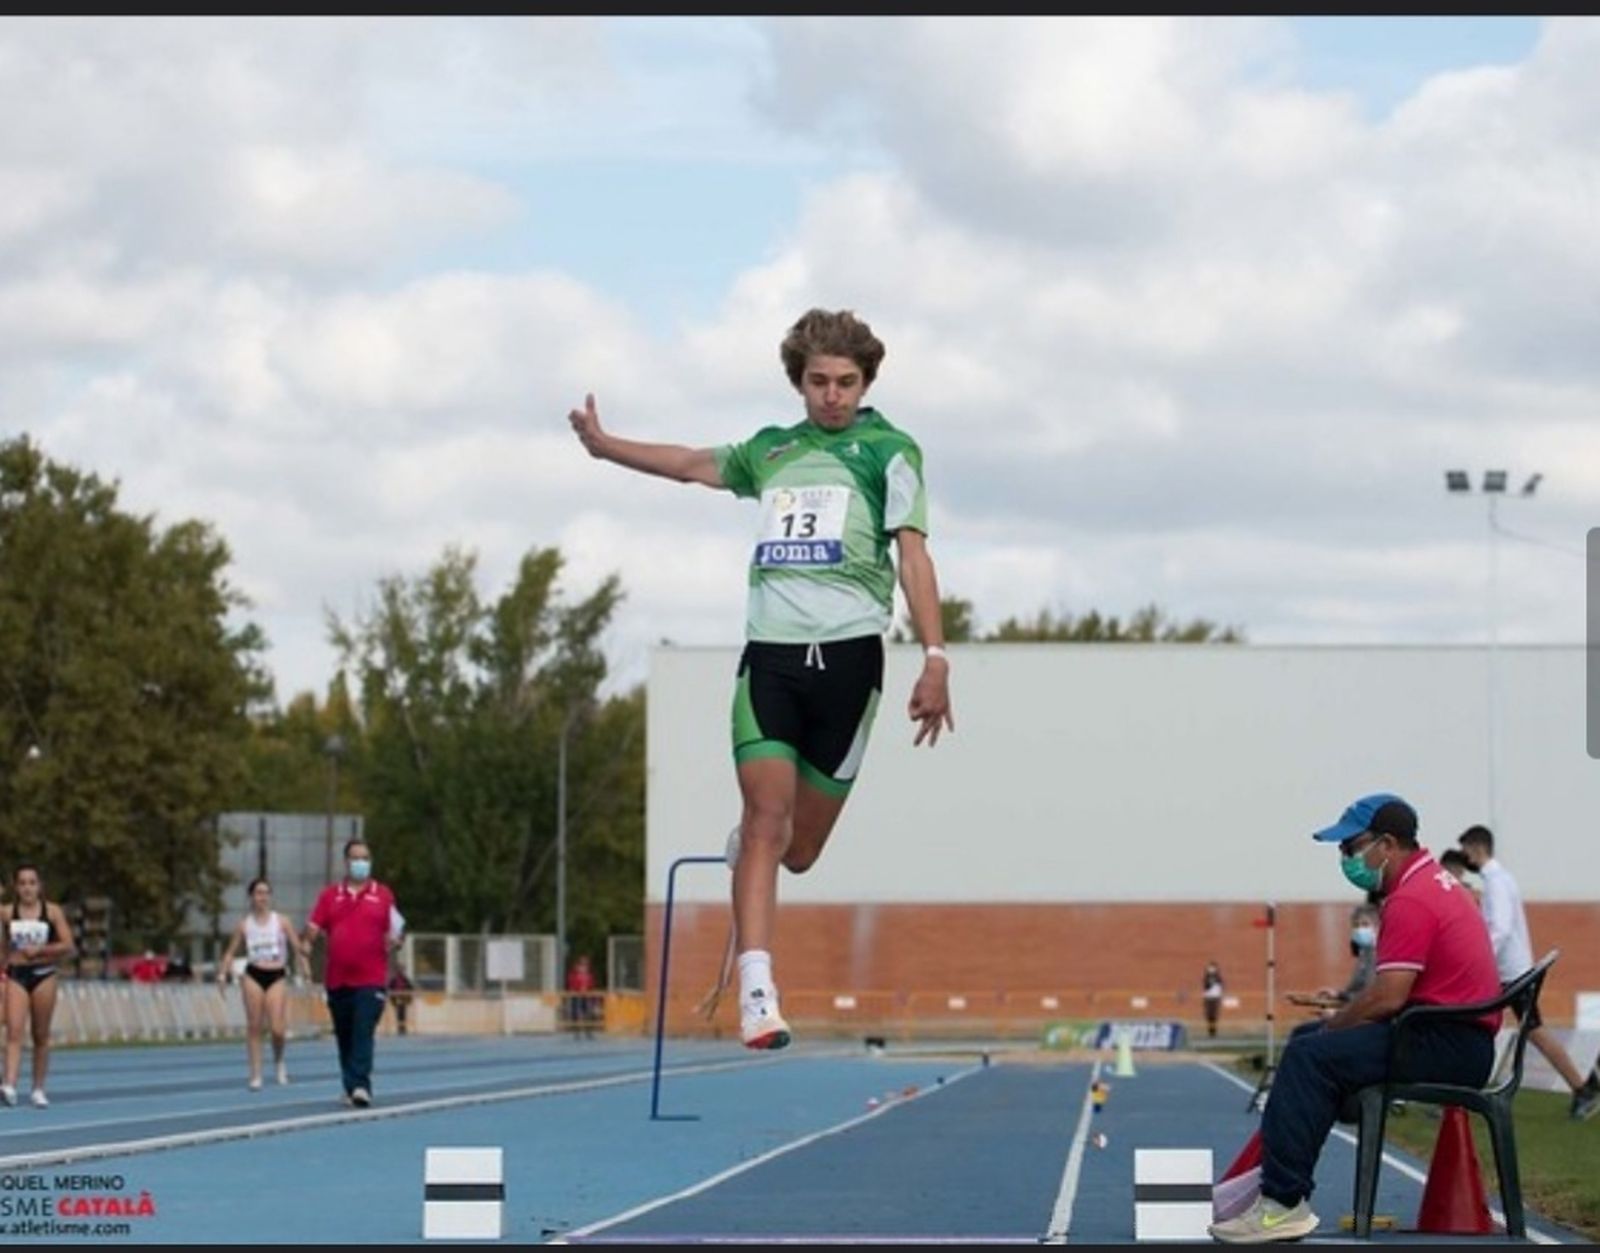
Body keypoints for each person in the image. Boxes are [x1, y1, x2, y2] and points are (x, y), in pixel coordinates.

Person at [568, 308, 954, 1051]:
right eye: (818, 382)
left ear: (867, 382)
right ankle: (757, 992)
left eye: (846, 382)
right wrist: (605, 446)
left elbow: (913, 557)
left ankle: (750, 847)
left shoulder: (890, 451)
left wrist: (936, 658)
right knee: (767, 823)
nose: (832, 396)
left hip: (849, 663)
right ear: (798, 383)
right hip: (770, 658)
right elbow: (687, 463)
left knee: (796, 850)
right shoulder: (772, 451)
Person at [1210, 793, 1502, 1243]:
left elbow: (1388, 997)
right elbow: (1400, 994)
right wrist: (1336, 1022)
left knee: (1310, 1055)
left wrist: (1336, 1024)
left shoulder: (1411, 900)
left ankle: (1282, 1203)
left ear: (1386, 844)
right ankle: (1272, 1185)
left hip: (1446, 1045)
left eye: (1350, 848)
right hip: (1451, 1035)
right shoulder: (1436, 882)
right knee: (1308, 1040)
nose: (1344, 859)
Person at [1458, 825, 1599, 1122]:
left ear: (1477, 847)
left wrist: (1479, 960)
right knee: (1524, 1031)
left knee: (1533, 1032)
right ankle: (1582, 1087)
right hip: (1512, 971)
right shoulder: (1498, 879)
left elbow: (1500, 928)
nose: (1465, 857)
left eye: (1466, 851)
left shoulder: (1496, 882)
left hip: (1511, 973)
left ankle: (1583, 1088)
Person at [303, 840, 404, 1108]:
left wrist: (395, 939)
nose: (361, 863)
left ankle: (360, 1085)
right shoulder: (330, 896)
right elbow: (314, 926)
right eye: (356, 858)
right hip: (337, 978)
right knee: (345, 1035)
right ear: (346, 862)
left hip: (371, 978)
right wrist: (306, 943)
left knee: (363, 1030)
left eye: (365, 858)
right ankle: (350, 1085)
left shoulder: (383, 895)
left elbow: (396, 929)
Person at [217, 878, 313, 1090]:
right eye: (258, 893)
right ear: (251, 897)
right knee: (254, 1026)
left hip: (276, 974)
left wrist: (306, 970)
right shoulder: (244, 925)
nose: (263, 897)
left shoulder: (282, 921)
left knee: (278, 1029)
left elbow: (298, 949)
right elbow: (230, 952)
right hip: (253, 975)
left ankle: (279, 1061)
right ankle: (256, 1074)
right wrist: (222, 975)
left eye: (266, 893)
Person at [1, 865, 76, 1108]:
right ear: (16, 887)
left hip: (44, 975)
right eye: (22, 883)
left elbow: (67, 944)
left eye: (32, 883)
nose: (27, 888)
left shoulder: (52, 912)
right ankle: (9, 1085)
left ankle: (38, 1088)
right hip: (16, 974)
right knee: (14, 1031)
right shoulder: (6, 912)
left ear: (40, 886)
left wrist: (41, 950)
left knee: (40, 1035)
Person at [565, 953, 599, 1039]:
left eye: (586, 964)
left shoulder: (590, 975)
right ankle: (577, 1032)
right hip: (577, 996)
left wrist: (589, 991)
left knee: (588, 1013)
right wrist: (577, 989)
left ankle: (589, 1031)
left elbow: (592, 985)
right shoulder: (573, 974)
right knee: (576, 1013)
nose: (584, 966)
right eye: (582, 964)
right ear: (578, 965)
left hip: (587, 996)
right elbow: (571, 984)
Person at [387, 965, 415, 1036]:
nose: (401, 972)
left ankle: (403, 1029)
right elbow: (390, 988)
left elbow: (410, 988)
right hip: (396, 998)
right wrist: (392, 999)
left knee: (403, 1013)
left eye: (402, 970)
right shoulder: (394, 980)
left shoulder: (405, 979)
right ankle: (400, 1029)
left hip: (403, 998)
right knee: (398, 1014)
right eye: (399, 970)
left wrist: (409, 999)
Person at [1201, 961, 1225, 1039]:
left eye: (1213, 967)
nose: (1211, 969)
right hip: (1208, 998)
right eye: (1210, 967)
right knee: (1209, 1015)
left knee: (1214, 1015)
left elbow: (1221, 985)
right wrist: (1210, 981)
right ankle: (1210, 1031)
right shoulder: (1206, 977)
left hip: (1215, 998)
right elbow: (1206, 986)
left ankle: (1214, 1032)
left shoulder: (1218, 977)